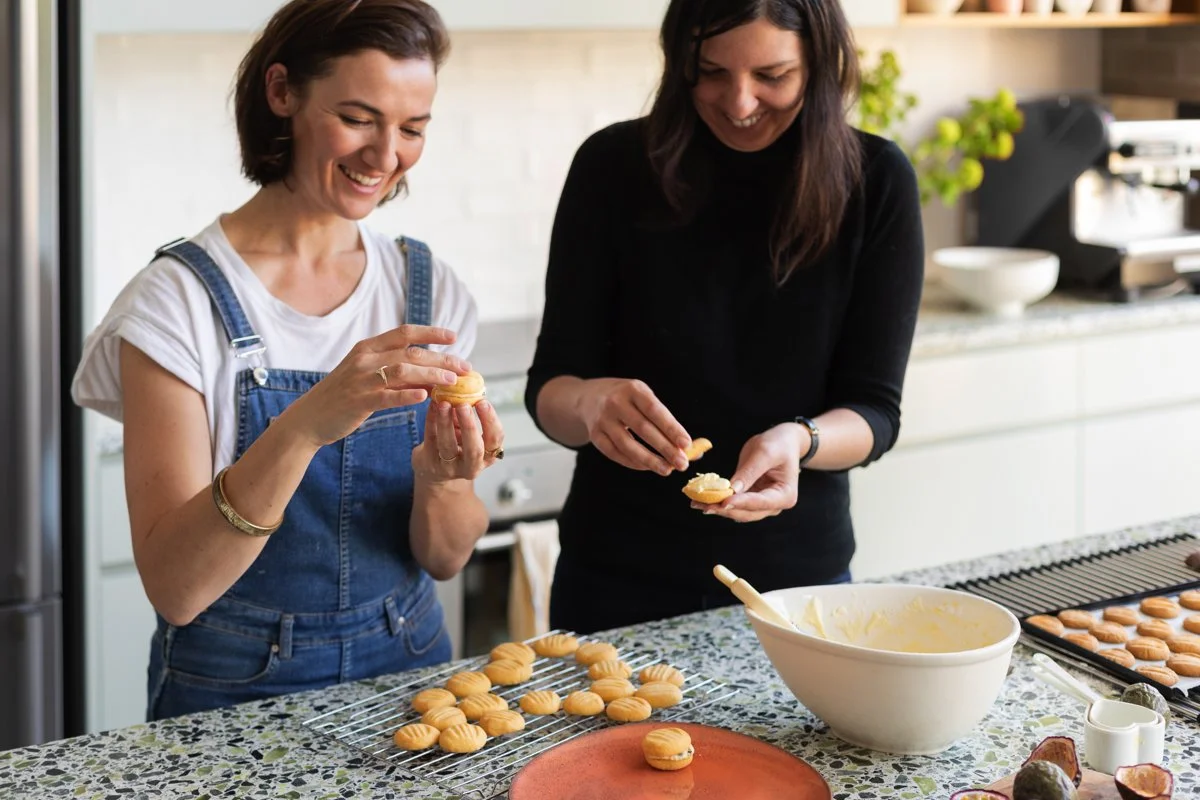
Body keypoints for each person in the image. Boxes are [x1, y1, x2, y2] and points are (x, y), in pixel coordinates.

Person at [71, 0, 502, 720]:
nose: (385, 156)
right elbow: (177, 588)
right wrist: (304, 425)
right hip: (231, 687)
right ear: (281, 92)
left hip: (411, 667)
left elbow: (446, 558)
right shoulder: (175, 304)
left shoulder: (428, 291)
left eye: (412, 128)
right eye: (358, 118)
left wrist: (443, 481)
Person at [526, 0, 925, 634]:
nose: (739, 102)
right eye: (711, 71)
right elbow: (550, 388)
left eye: (772, 76)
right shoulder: (611, 166)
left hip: (794, 585)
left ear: (818, 66)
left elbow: (876, 413)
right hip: (613, 579)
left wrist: (801, 439)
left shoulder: (875, 181)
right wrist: (589, 403)